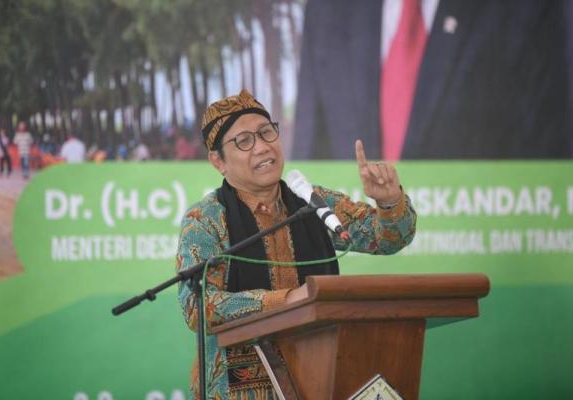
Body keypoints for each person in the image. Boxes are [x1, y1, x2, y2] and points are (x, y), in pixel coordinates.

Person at [176, 89, 417, 399]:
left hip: (320, 374)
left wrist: (389, 201)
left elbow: (388, 238)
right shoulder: (205, 220)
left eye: (266, 132)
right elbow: (198, 308)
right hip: (242, 388)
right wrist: (288, 301)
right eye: (244, 141)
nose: (262, 146)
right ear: (218, 161)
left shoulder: (312, 201)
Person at [292, 0, 572, 160]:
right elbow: (310, 149)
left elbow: (548, 150)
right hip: (358, 243)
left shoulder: (528, 9)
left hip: (476, 237)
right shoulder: (328, 9)